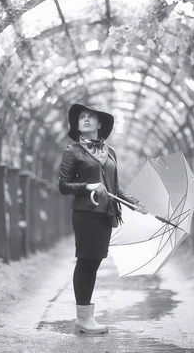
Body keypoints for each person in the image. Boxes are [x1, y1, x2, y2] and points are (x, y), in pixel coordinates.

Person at [58, 103, 147, 334]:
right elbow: (63, 185)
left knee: (94, 262)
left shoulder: (111, 153)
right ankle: (83, 318)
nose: (85, 119)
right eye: (82, 117)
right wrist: (88, 185)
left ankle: (86, 316)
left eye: (91, 117)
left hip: (106, 214)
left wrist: (135, 203)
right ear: (77, 125)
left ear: (100, 124)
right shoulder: (72, 151)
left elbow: (114, 188)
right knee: (85, 260)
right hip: (86, 213)